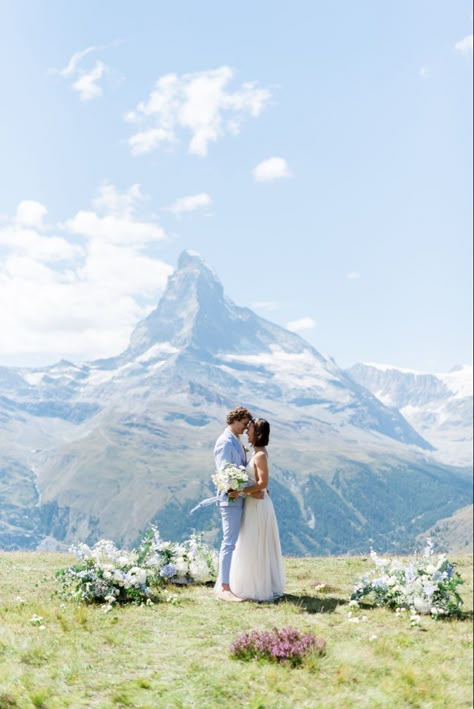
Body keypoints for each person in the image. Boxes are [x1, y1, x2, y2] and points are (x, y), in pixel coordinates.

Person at [228, 418, 285, 602]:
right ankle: (252, 583)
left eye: (250, 429)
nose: (246, 432)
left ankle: (257, 587)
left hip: (259, 506)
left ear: (258, 434)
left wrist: (242, 492)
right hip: (254, 503)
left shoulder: (260, 455)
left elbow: (263, 483)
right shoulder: (256, 452)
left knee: (256, 542)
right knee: (250, 542)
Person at [213, 406, 257, 602]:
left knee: (236, 542)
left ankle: (234, 582)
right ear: (235, 420)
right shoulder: (225, 442)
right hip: (230, 498)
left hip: (239, 496)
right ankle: (224, 587)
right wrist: (242, 489)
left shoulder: (235, 440)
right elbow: (225, 473)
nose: (246, 428)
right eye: (244, 423)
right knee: (229, 542)